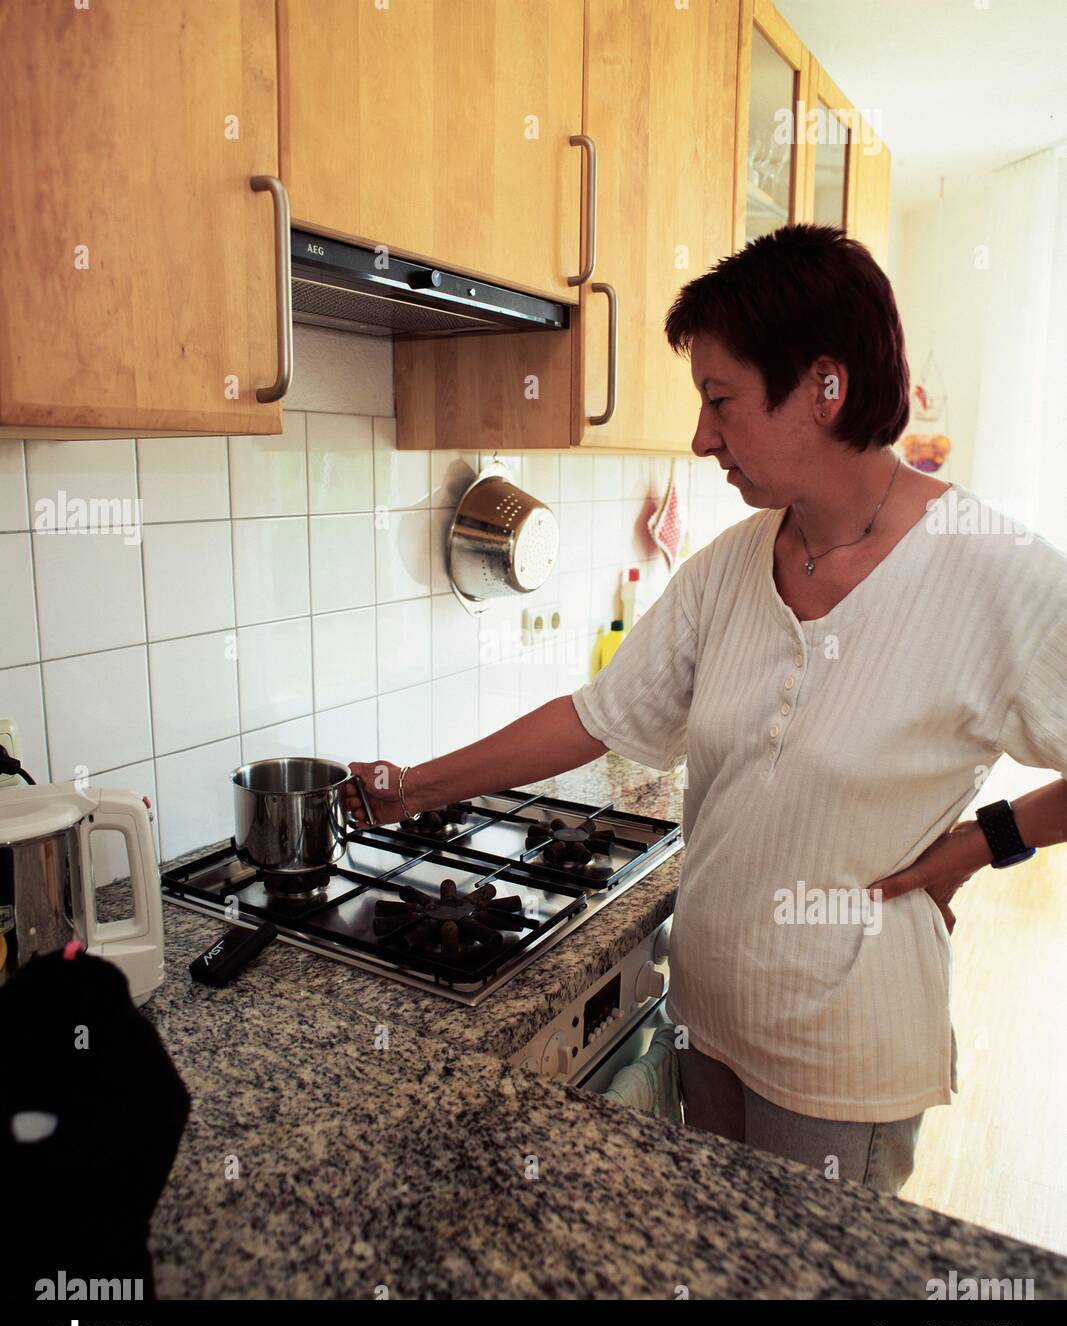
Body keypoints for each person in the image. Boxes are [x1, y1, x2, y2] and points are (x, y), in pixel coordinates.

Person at [347, 225, 1067, 1196]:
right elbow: (595, 715)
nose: (698, 436)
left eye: (717, 400)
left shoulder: (994, 574)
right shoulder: (728, 567)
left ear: (823, 386)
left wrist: (982, 842)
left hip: (841, 1062)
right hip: (707, 1021)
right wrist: (412, 788)